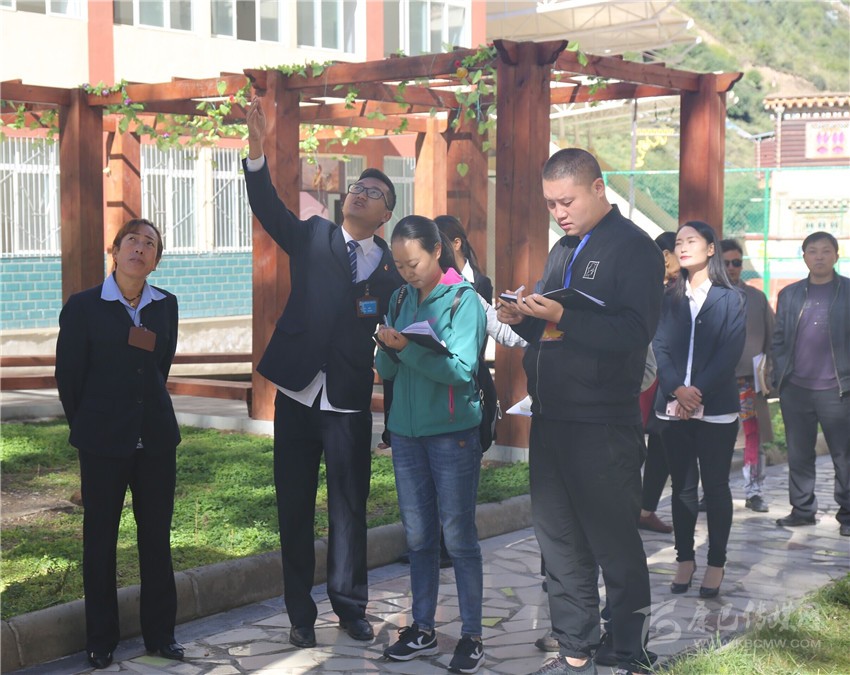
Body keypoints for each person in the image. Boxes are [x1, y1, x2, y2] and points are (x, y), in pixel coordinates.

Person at [242, 97, 403, 648]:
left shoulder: (391, 271)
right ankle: (299, 615)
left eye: (374, 192)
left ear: (386, 216)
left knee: (349, 510)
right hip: (297, 394)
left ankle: (350, 606)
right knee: (294, 508)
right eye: (358, 186)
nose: (360, 192)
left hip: (348, 400)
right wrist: (257, 149)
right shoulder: (313, 235)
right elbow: (267, 207)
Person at [498, 148, 664, 675]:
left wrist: (563, 315)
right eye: (551, 204)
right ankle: (575, 645)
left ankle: (629, 647)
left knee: (612, 539)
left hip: (602, 421)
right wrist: (524, 317)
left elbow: (635, 331)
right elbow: (554, 329)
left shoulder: (634, 248)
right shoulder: (563, 248)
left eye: (566, 201)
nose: (559, 213)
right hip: (552, 416)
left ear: (598, 188)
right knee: (559, 539)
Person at [54, 219, 183, 670]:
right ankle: (101, 640)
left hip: (156, 442)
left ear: (155, 261)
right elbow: (69, 377)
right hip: (102, 443)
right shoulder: (84, 306)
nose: (140, 249)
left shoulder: (166, 305)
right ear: (115, 250)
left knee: (156, 539)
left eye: (150, 244)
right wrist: (91, 428)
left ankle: (161, 635)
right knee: (100, 541)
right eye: (133, 240)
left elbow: (161, 367)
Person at [375, 216, 487, 674]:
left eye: (414, 263)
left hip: (452, 434)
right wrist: (386, 347)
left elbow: (461, 371)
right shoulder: (400, 298)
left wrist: (407, 349)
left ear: (437, 250)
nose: (407, 273)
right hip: (406, 432)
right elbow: (390, 369)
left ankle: (472, 635)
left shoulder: (464, 300)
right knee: (419, 537)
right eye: (399, 265)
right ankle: (421, 628)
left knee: (458, 537)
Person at [652, 221, 746, 599]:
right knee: (682, 488)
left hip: (715, 408)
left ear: (710, 249)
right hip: (673, 405)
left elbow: (729, 352)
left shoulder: (731, 298)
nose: (683, 247)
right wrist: (677, 389)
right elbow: (660, 347)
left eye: (691, 241)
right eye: (679, 242)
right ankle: (685, 559)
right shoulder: (667, 297)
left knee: (716, 486)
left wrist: (696, 393)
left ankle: (716, 562)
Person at [772, 231, 850, 537]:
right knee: (799, 454)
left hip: (838, 389)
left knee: (844, 456)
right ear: (804, 256)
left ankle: (848, 515)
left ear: (836, 255)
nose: (819, 256)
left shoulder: (847, 291)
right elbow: (779, 338)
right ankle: (802, 510)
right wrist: (780, 377)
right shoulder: (789, 294)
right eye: (813, 251)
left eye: (826, 251)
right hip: (796, 389)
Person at [720, 238, 775, 512]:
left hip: (749, 383)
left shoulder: (756, 298)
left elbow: (773, 338)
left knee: (753, 438)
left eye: (737, 262)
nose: (732, 267)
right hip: (715, 383)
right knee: (715, 439)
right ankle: (713, 490)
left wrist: (768, 374)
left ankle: (754, 491)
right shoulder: (706, 295)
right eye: (726, 263)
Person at [638, 231, 679, 534]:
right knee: (632, 448)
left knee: (663, 446)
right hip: (644, 377)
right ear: (665, 256)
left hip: (668, 380)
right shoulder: (642, 285)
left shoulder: (678, 290)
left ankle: (645, 509)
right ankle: (625, 510)